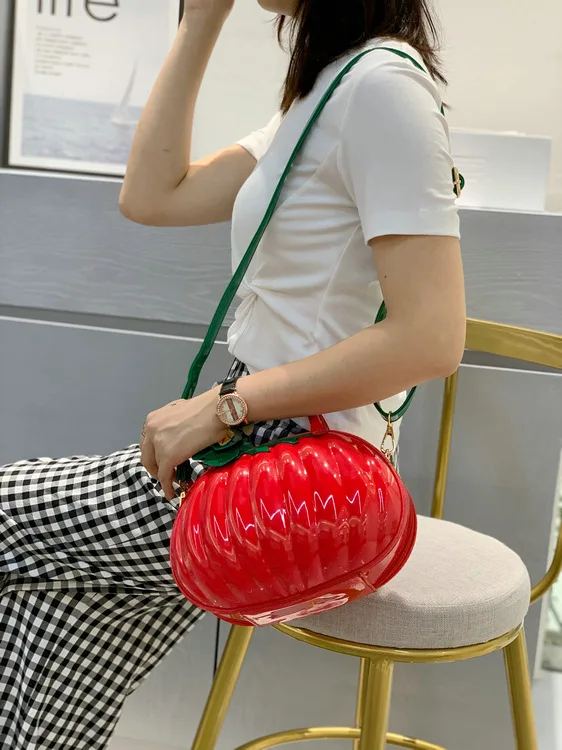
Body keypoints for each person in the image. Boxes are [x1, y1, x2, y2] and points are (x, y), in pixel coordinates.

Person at [0, 0, 466, 747]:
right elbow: (151, 196)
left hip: (293, 464)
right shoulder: (328, 90)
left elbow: (432, 339)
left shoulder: (383, 87)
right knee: (58, 614)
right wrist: (201, 21)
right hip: (261, 438)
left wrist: (224, 406)